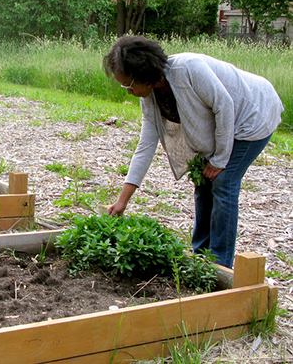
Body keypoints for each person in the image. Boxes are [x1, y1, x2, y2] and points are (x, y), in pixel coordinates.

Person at [102, 35, 283, 268]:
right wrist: (122, 201)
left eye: (128, 85)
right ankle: (201, 255)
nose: (128, 91)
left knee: (223, 181)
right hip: (225, 124)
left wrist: (218, 160)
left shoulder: (188, 69)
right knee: (203, 181)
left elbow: (224, 106)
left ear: (145, 75)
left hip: (253, 115)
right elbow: (146, 146)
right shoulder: (149, 98)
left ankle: (220, 264)